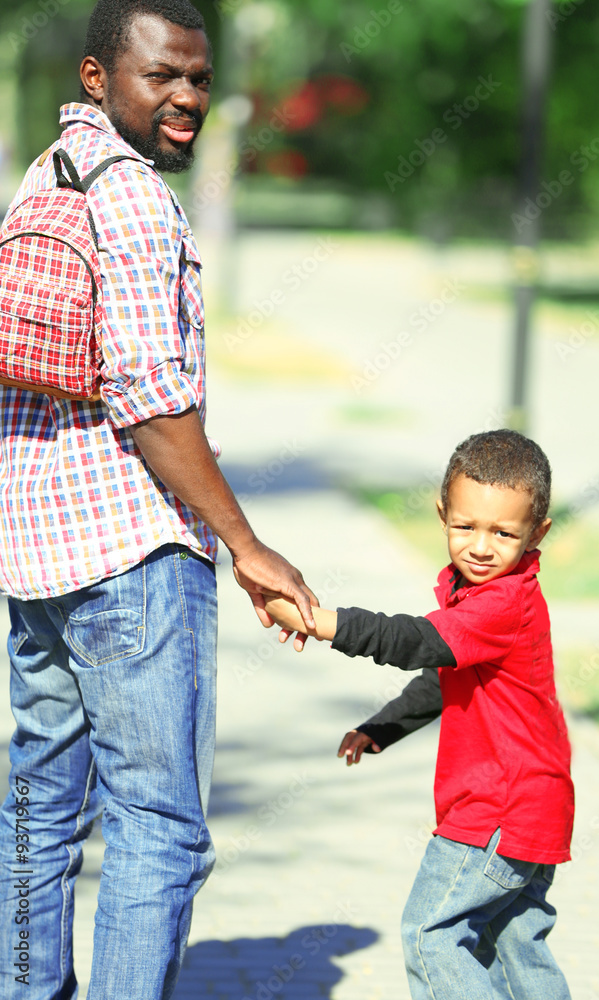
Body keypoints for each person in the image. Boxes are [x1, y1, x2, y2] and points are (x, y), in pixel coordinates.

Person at [0, 2, 317, 998]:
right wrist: (245, 544)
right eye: (159, 76)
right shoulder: (131, 197)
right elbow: (149, 402)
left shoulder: (41, 178)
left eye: (197, 76)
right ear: (98, 77)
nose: (185, 97)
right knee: (158, 829)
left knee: (38, 816)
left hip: (33, 555)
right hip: (130, 556)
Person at [264, 429, 575, 1000]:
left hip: (495, 811)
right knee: (515, 945)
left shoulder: (503, 603)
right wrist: (382, 728)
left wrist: (317, 620)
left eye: (504, 533)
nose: (481, 546)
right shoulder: (487, 595)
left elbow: (414, 641)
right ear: (442, 514)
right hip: (537, 807)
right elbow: (442, 677)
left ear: (539, 533)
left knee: (431, 934)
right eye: (466, 526)